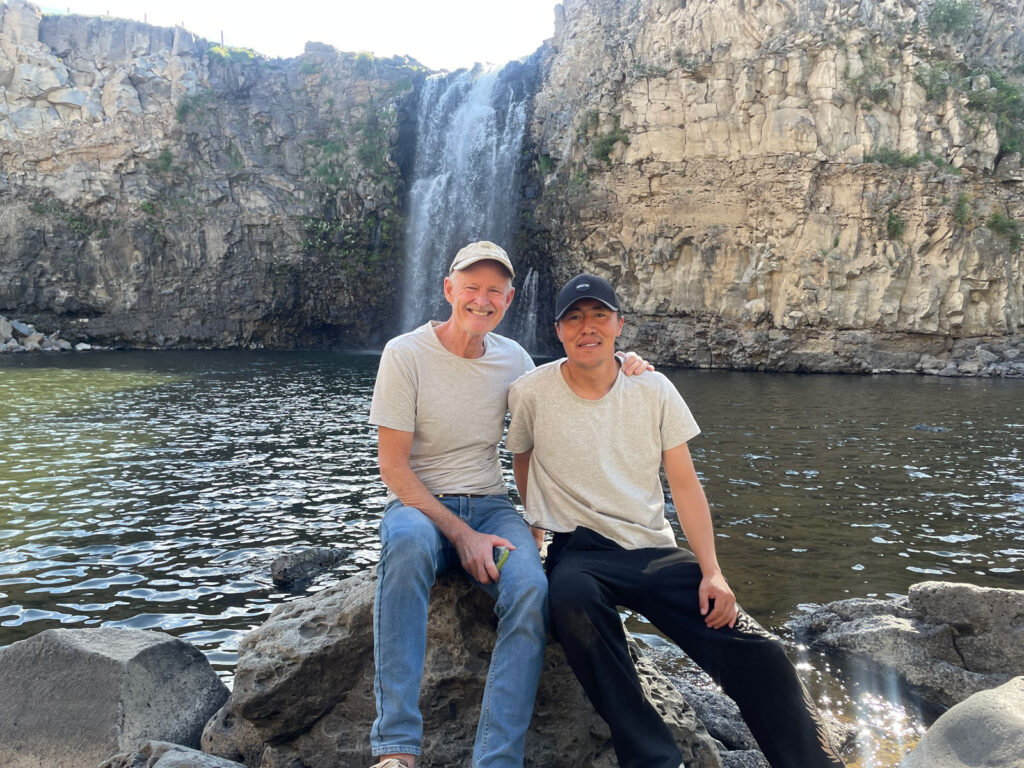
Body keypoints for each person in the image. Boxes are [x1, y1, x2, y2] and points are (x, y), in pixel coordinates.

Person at [506, 273, 847, 768]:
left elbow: (685, 485)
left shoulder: (653, 387)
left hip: (651, 551)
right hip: (579, 551)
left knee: (764, 653)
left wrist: (713, 571)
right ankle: (655, 761)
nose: (588, 327)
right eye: (574, 317)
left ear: (619, 324)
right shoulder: (531, 392)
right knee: (571, 598)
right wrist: (536, 531)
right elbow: (522, 457)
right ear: (557, 330)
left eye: (599, 315)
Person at [367, 244, 649, 768]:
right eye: (471, 287)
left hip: (494, 509)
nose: (482, 298)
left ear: (510, 298)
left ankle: (496, 760)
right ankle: (396, 750)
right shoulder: (404, 354)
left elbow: (562, 405)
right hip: (420, 509)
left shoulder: (515, 361)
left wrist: (627, 364)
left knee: (530, 589)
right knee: (405, 546)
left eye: (494, 290)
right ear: (449, 290)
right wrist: (462, 536)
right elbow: (395, 469)